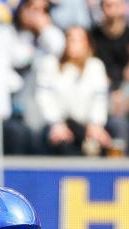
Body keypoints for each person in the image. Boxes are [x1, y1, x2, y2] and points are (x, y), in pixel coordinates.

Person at [35, 26, 111, 156]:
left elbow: (100, 99)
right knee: (62, 142)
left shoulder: (95, 66)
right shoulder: (50, 64)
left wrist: (96, 124)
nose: (72, 43)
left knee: (102, 141)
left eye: (78, 39)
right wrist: (56, 123)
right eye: (69, 38)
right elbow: (44, 98)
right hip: (55, 124)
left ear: (87, 43)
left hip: (86, 124)